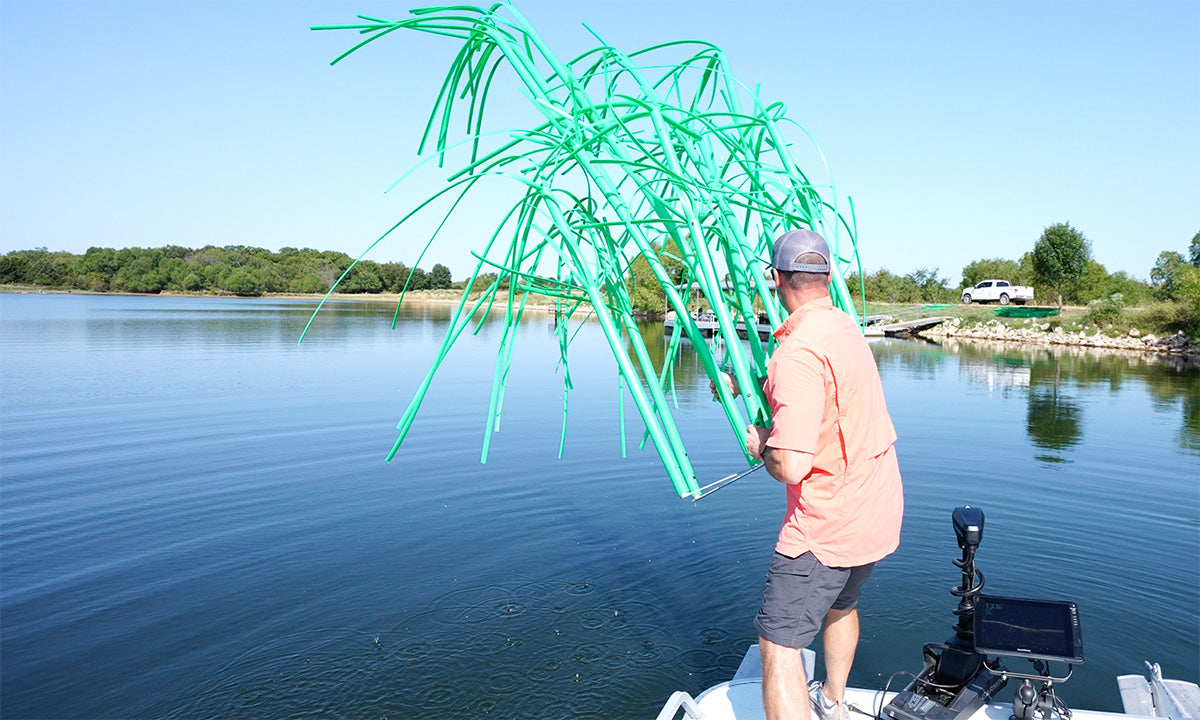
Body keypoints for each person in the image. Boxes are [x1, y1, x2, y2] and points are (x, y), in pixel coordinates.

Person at [717, 229, 904, 720]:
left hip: (826, 526)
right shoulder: (843, 327)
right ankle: (834, 703)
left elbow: (792, 464)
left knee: (777, 643)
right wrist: (756, 384)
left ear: (776, 278)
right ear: (825, 275)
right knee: (841, 605)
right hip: (875, 510)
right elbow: (826, 394)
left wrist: (762, 446)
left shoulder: (796, 351)